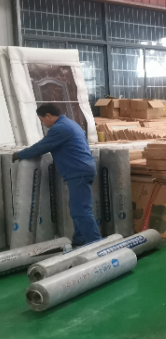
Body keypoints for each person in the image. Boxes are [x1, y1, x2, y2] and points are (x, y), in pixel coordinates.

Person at [13, 104, 101, 246]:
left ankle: (97, 244)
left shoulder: (60, 128)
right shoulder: (71, 124)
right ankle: (79, 240)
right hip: (82, 169)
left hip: (78, 171)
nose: (43, 124)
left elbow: (41, 147)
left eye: (42, 120)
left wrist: (19, 154)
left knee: (80, 210)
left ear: (48, 115)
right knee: (78, 208)